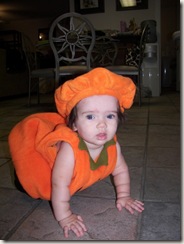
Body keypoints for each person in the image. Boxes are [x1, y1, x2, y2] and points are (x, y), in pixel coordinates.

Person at [9, 67, 144, 238]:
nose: (102, 124)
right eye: (90, 117)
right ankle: (20, 179)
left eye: (110, 116)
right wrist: (65, 217)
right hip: (43, 172)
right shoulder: (69, 150)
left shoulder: (112, 145)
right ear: (73, 125)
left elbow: (121, 170)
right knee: (35, 189)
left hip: (72, 176)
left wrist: (124, 196)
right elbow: (59, 184)